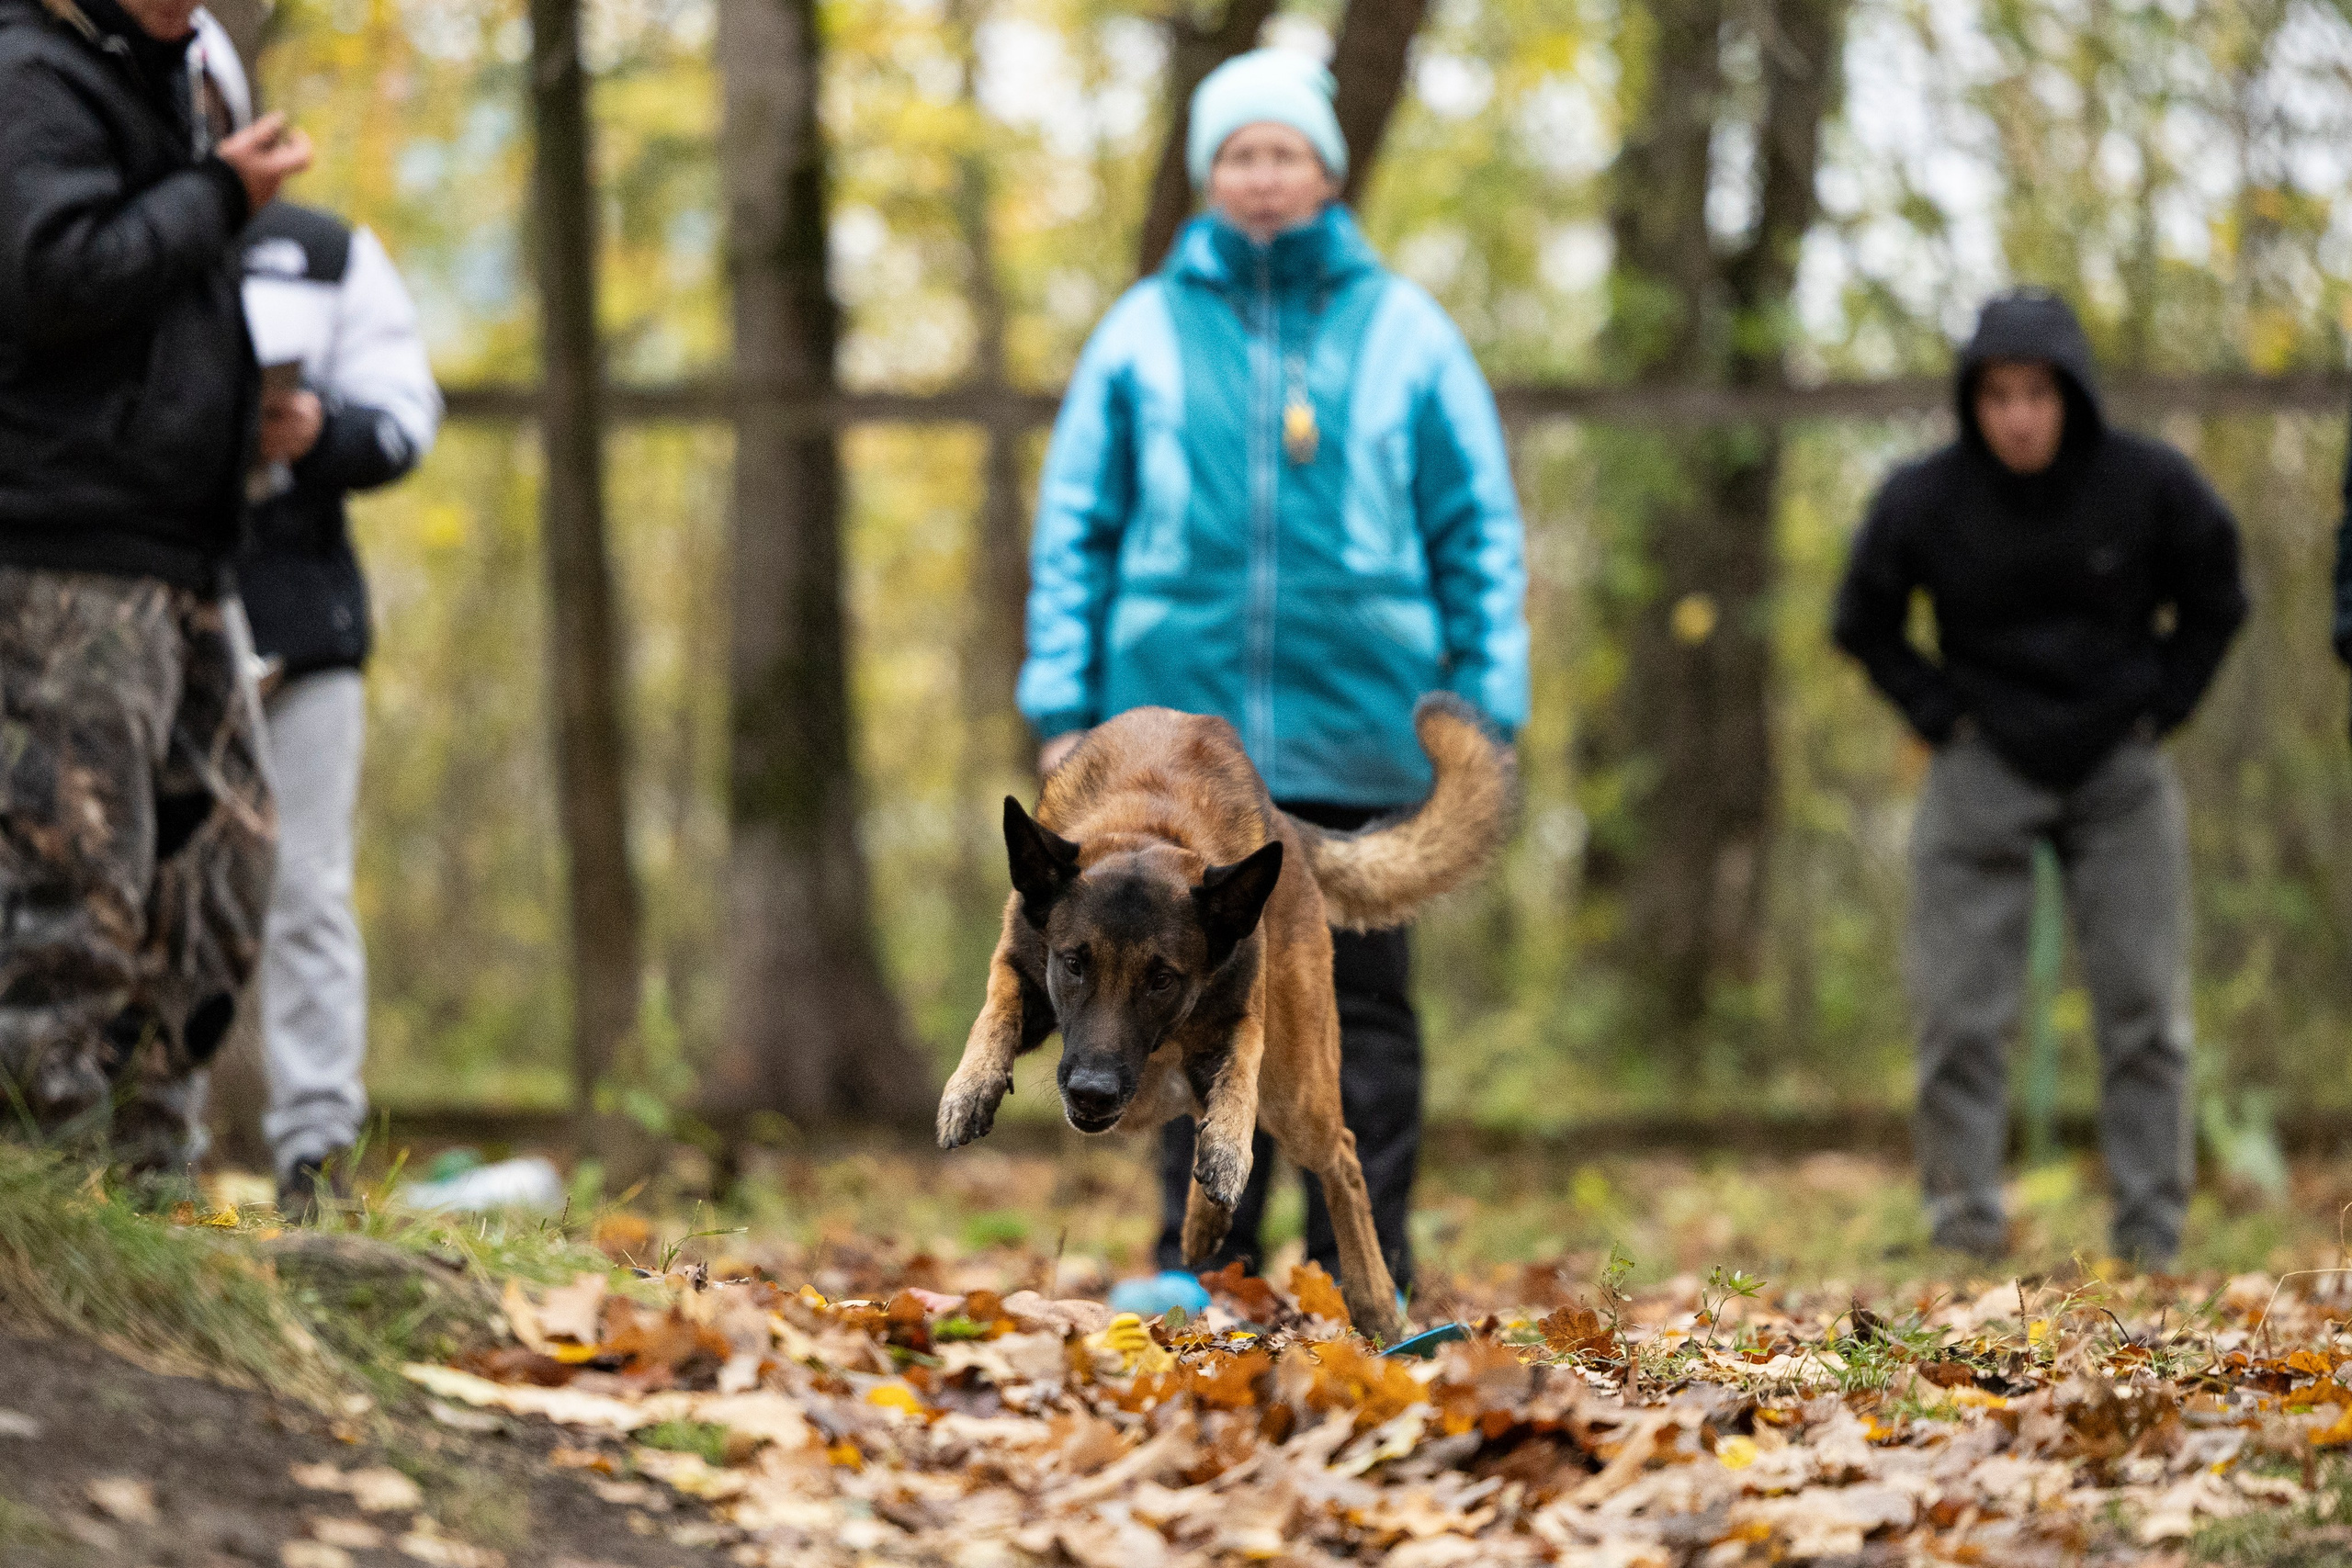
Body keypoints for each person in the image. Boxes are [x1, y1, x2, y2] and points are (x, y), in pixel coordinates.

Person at [1018, 49, 1530, 1301]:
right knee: (1161, 993)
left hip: (1359, 724)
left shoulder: (1405, 330)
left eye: (1283, 152)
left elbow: (1479, 525)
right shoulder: (1141, 330)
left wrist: (1486, 702)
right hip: (1175, 749)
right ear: (1210, 174)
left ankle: (1364, 1256)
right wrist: (1058, 705)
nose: (1261, 176)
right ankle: (1203, 1264)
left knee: (1366, 1008)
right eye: (1239, 154)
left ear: (1326, 170)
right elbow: (1076, 523)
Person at [1833, 288, 2246, 1267]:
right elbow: (1862, 620)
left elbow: (2219, 595)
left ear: (2072, 396)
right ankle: (1963, 1227)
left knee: (2145, 1009)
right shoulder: (1923, 499)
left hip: (2117, 767)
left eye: (2036, 393)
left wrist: (2165, 706)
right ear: (1972, 403)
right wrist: (1941, 717)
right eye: (1997, 394)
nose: (2018, 414)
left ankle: (2151, 1234)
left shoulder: (2147, 485)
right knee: (1956, 1014)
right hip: (1982, 765)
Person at [0, 0, 310, 1169]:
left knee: (221, 882)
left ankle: (148, 1202)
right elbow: (50, 271)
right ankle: (42, 1206)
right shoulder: (30, 72)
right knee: (73, 899)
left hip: (183, 554)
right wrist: (218, 195)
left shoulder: (177, 81)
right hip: (61, 552)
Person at [235, 197, 441, 1212]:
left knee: (307, 886)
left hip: (302, 619)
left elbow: (405, 417)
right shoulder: (81, 211)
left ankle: (314, 1155)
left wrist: (318, 431)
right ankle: (123, 1143)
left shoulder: (318, 250)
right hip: (131, 593)